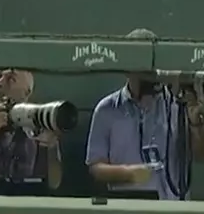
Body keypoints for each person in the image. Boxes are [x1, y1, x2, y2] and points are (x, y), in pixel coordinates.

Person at [87, 29, 204, 200]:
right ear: (127, 70)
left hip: (173, 210)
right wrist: (128, 173)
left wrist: (195, 124)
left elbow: (200, 156)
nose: (152, 76)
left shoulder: (178, 105)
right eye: (144, 69)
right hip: (125, 208)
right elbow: (95, 167)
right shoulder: (106, 110)